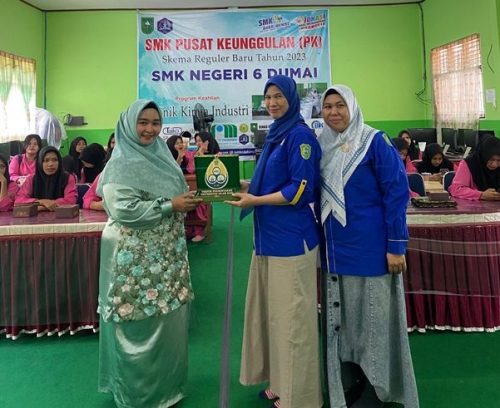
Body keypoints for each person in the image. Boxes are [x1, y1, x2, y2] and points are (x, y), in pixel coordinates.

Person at [318, 85, 419, 408]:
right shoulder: (322, 144)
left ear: (353, 107)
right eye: (328, 106)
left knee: (373, 324)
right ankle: (351, 384)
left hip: (372, 249)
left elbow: (396, 193)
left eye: (340, 105)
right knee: (343, 325)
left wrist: (396, 245)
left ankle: (378, 392)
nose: (334, 112)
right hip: (335, 250)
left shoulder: (374, 142)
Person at [97, 99, 202, 408]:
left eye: (155, 123)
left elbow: (177, 194)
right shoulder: (119, 164)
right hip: (133, 258)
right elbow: (123, 209)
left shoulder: (162, 157)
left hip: (166, 255)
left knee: (167, 319)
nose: (149, 129)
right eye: (142, 122)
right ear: (129, 125)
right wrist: (171, 205)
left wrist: (186, 201)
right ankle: (138, 395)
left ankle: (167, 388)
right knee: (136, 319)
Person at [226, 75, 323, 408]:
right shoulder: (276, 134)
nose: (272, 102)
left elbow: (300, 190)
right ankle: (280, 382)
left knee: (293, 323)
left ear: (292, 98)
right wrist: (240, 185)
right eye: (268, 97)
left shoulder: (300, 136)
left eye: (279, 96)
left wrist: (254, 200)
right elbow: (269, 181)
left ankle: (300, 397)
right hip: (267, 241)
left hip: (292, 244)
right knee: (273, 318)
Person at [15, 146, 77, 211]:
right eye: (46, 160)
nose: (50, 164)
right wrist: (42, 202)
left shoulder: (68, 178)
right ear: (40, 162)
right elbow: (19, 201)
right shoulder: (31, 179)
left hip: (62, 216)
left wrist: (42, 207)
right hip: (35, 217)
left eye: (55, 160)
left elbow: (71, 201)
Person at [186, 130, 221, 242]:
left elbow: (209, 171)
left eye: (200, 141)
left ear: (207, 141)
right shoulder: (194, 153)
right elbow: (190, 169)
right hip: (194, 185)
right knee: (189, 199)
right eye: (196, 141)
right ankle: (191, 230)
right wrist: (198, 153)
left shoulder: (217, 154)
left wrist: (201, 154)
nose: (198, 143)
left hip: (209, 186)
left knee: (199, 201)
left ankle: (200, 231)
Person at [449, 135, 500, 201]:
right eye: (491, 159)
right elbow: (455, 189)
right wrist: (481, 195)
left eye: (499, 160)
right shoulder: (469, 164)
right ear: (484, 155)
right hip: (473, 206)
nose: (495, 165)